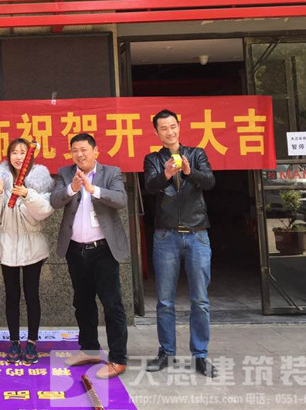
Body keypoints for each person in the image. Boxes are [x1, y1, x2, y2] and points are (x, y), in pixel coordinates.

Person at [50, 133, 130, 380]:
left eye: (84, 149)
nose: (79, 154)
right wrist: (72, 188)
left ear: (96, 151)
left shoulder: (111, 172)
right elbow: (54, 201)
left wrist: (92, 189)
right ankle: (89, 350)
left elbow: (121, 200)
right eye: (74, 150)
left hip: (104, 249)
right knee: (82, 302)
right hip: (76, 249)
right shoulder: (65, 173)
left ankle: (118, 358)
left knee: (112, 304)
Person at [144, 109, 217, 377]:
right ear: (157, 132)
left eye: (172, 126)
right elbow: (150, 186)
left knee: (200, 299)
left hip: (197, 233)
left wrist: (189, 172)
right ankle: (166, 351)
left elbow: (209, 182)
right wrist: (165, 174)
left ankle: (200, 355)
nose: (169, 132)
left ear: (179, 126)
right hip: (166, 236)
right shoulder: (153, 159)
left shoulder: (196, 154)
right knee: (165, 300)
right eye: (163, 128)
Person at [0, 138, 54, 364]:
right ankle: (14, 341)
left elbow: (45, 211)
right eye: (14, 152)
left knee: (32, 295)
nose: (19, 156)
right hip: (7, 245)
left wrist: (27, 194)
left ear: (30, 155)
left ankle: (31, 342)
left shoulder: (40, 178)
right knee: (11, 296)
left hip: (32, 245)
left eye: (23, 152)